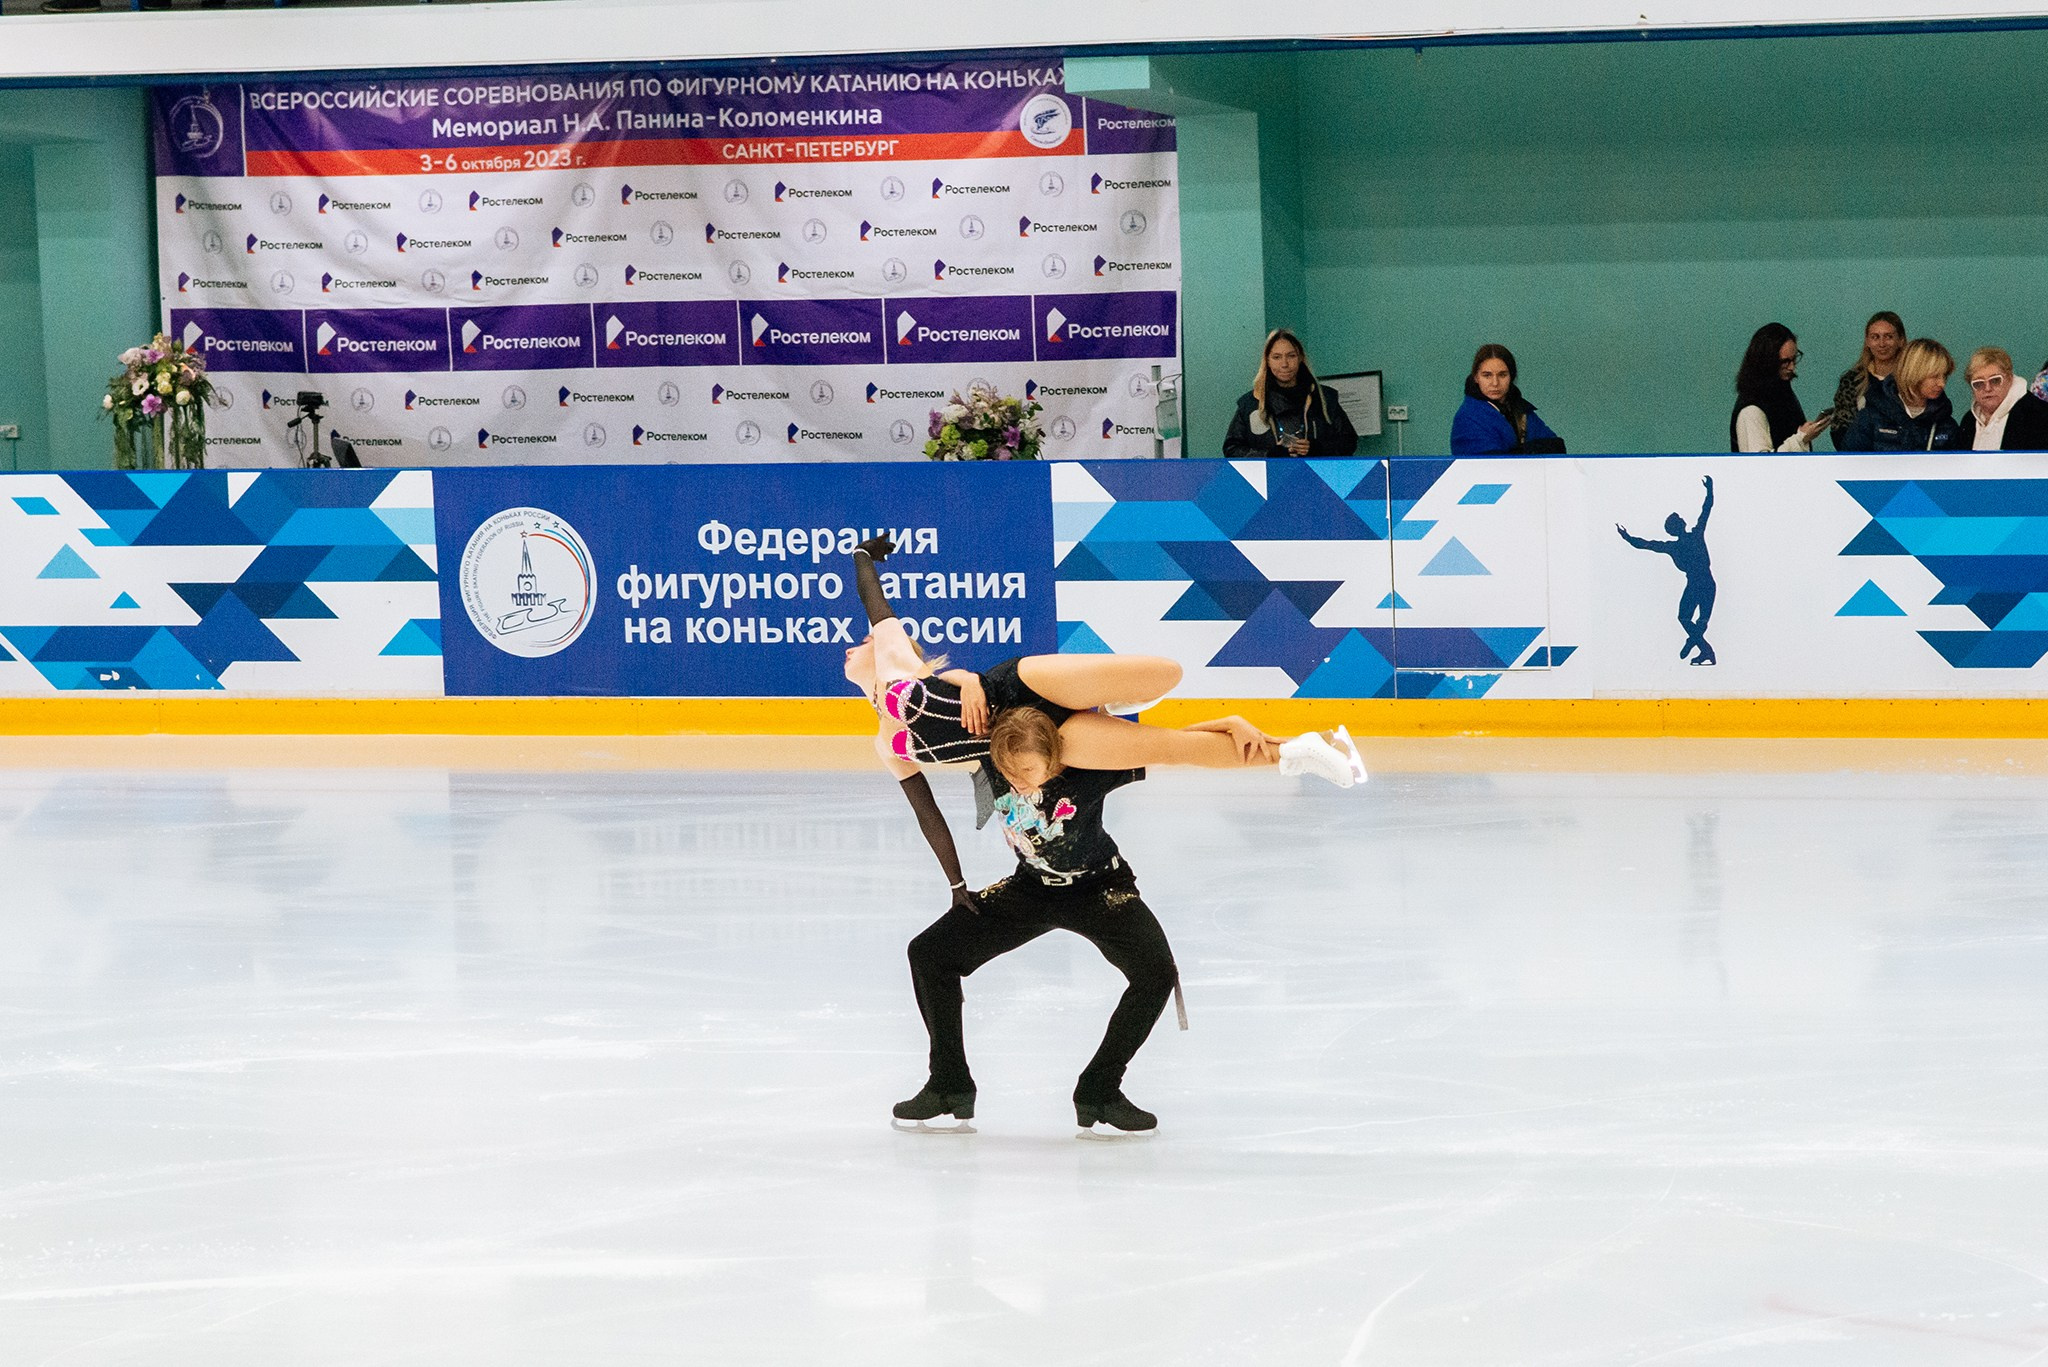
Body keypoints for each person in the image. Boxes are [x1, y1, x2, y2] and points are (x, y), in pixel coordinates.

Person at [894, 709, 1178, 1137]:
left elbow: (1179, 747)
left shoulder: (1093, 771)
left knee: (1157, 973)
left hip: (1101, 889)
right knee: (930, 953)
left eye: (1026, 769)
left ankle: (1099, 1089)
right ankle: (949, 1082)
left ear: (1054, 757)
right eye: (1008, 771)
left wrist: (1237, 728)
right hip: (1031, 889)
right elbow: (916, 710)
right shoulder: (995, 762)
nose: (1017, 779)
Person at [1617, 476, 1717, 666]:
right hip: (1699, 583)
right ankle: (1703, 648)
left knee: (1696, 620)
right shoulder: (1689, 537)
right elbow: (1647, 544)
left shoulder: (1689, 538)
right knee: (1687, 617)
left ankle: (1698, 644)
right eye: (1678, 520)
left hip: (1703, 582)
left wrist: (1710, 489)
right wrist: (1628, 537)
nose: (1681, 520)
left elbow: (1707, 509)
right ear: (1677, 527)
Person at [1222, 329, 1358, 459]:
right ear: (1267, 361)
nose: (1284, 364)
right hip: (1269, 480)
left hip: (1318, 479)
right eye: (1276, 357)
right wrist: (1269, 455)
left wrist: (1317, 449)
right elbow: (1232, 449)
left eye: (1291, 356)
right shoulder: (1251, 403)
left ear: (1300, 358)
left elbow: (1349, 442)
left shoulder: (1324, 398)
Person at [1838, 339, 1959, 452]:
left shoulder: (1947, 424)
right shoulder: (1871, 417)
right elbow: (1848, 466)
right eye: (1935, 376)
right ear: (1914, 373)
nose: (1942, 383)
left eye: (1945, 376)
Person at [1731, 324, 1830, 452]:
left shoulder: (1783, 393)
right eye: (1785, 362)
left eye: (1794, 359)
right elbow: (1761, 465)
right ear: (1767, 361)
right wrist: (1801, 439)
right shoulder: (1751, 410)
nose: (1792, 367)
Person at [1450, 344, 1566, 455]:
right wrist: (1528, 450)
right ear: (1476, 377)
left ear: (1512, 376)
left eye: (1502, 375)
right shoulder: (1468, 417)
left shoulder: (1521, 410)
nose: (1495, 383)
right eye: (1487, 375)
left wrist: (1515, 452)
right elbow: (1490, 463)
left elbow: (1557, 446)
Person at [1827, 312, 1905, 450]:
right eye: (1875, 337)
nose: (1882, 343)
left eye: (1889, 337)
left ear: (1901, 340)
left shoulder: (1912, 380)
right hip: (1860, 461)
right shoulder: (1852, 380)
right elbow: (1840, 429)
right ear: (1867, 341)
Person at [1955, 347, 2048, 451]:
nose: (1987, 388)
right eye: (1979, 383)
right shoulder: (1969, 421)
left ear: (2009, 378)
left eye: (1995, 381)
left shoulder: (2038, 416)